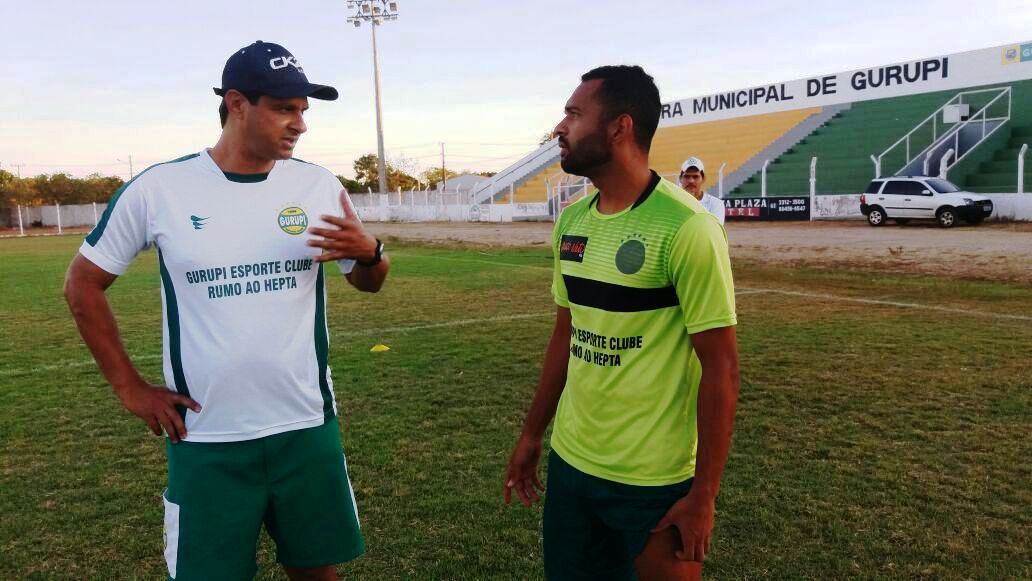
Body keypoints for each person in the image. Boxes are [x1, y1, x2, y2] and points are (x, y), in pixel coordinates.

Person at [64, 41, 389, 581]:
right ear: (237, 104)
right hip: (207, 435)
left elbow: (367, 282)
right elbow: (83, 286)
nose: (300, 124)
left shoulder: (317, 185)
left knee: (317, 571)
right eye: (285, 107)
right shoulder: (160, 189)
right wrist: (130, 388)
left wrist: (371, 253)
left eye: (304, 110)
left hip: (306, 425)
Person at [503, 65, 740, 580]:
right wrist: (532, 434)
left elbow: (721, 370)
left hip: (652, 479)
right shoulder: (572, 221)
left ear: (618, 127)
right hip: (572, 465)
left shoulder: (689, 229)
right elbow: (566, 335)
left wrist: (703, 495)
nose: (559, 128)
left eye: (573, 113)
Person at [679, 157, 725, 224]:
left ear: (703, 179)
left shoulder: (715, 204)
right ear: (680, 179)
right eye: (686, 176)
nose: (691, 181)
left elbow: (714, 231)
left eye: (695, 177)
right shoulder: (673, 202)